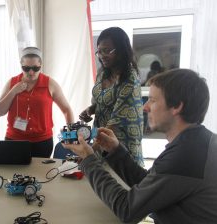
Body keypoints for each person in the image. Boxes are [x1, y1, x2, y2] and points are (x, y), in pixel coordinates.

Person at [63, 68, 217, 224]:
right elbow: (147, 184)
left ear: (177, 106)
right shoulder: (196, 142)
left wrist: (88, 159)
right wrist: (115, 151)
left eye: (153, 100)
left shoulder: (186, 155)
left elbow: (127, 209)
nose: (145, 107)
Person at [79, 27, 144, 166]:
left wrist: (89, 152)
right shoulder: (103, 73)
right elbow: (102, 101)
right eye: (100, 51)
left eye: (107, 50)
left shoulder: (129, 78)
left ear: (121, 50)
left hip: (120, 145)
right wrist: (90, 110)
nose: (102, 56)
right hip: (101, 140)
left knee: (119, 184)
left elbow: (116, 121)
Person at [0, 47, 74, 158]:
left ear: (41, 65)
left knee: (39, 174)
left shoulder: (50, 84)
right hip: (14, 140)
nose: (31, 72)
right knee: (12, 174)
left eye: (35, 68)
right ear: (21, 65)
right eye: (26, 68)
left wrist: (70, 136)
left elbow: (66, 110)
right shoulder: (12, 83)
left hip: (42, 142)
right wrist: (13, 91)